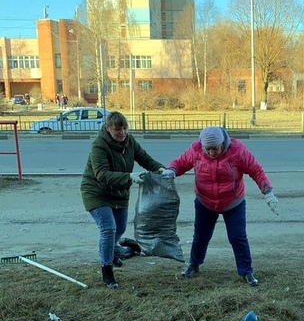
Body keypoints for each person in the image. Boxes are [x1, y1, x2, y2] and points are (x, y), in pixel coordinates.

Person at [166, 126, 279, 286]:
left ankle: (246, 271)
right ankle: (194, 265)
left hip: (233, 202)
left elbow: (256, 170)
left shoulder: (237, 151)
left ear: (223, 144)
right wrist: (171, 170)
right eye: (208, 149)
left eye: (215, 149)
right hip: (205, 201)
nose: (211, 153)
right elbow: (181, 163)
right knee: (200, 237)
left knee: (238, 237)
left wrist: (267, 192)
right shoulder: (196, 150)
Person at [81, 111, 172, 289]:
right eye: (117, 129)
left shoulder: (129, 141)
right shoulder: (99, 146)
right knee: (108, 229)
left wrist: (161, 170)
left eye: (124, 128)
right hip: (96, 192)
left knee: (120, 228)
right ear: (107, 129)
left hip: (119, 193)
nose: (122, 133)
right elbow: (102, 175)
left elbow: (144, 159)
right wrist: (130, 176)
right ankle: (107, 271)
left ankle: (113, 252)